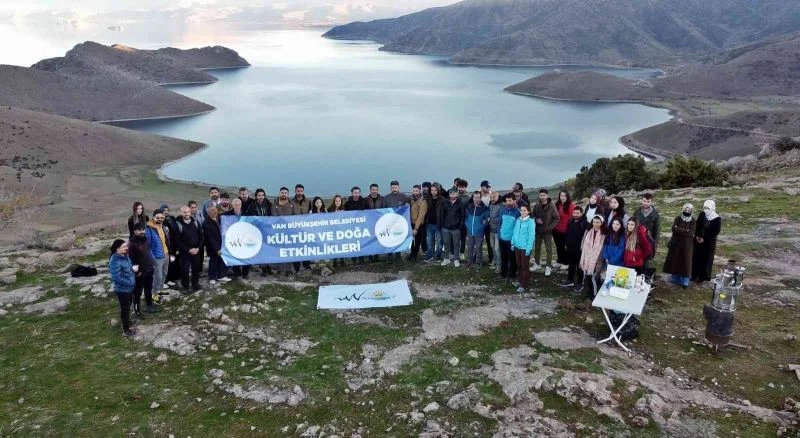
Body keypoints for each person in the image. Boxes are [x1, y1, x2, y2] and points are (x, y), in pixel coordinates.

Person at [128, 223, 159, 317]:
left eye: (143, 229)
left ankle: (149, 305)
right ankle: (137, 311)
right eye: (139, 230)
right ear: (135, 231)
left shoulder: (145, 239)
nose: (142, 231)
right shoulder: (132, 244)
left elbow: (148, 252)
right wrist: (137, 272)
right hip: (140, 272)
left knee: (148, 288)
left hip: (149, 268)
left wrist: (152, 265)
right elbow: (131, 260)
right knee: (137, 292)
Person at [663, 204, 696, 289]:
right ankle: (675, 279)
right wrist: (684, 230)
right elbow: (674, 228)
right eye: (686, 209)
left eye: (689, 210)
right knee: (675, 261)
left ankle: (684, 282)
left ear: (691, 211)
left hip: (687, 245)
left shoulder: (693, 221)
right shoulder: (678, 218)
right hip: (676, 243)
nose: (687, 211)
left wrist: (679, 229)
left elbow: (690, 232)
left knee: (685, 263)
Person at [108, 239, 137, 337]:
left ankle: (127, 322)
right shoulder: (114, 261)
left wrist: (133, 269)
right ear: (117, 249)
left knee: (128, 306)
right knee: (125, 309)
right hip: (122, 289)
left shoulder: (125, 256)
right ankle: (126, 330)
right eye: (124, 247)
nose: (126, 248)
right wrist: (129, 282)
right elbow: (116, 278)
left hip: (130, 287)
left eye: (126, 246)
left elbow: (128, 269)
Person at [174, 206, 204, 292]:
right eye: (184, 212)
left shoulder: (195, 222)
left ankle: (195, 284)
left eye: (188, 212)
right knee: (185, 269)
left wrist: (198, 248)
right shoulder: (178, 224)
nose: (187, 214)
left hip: (196, 250)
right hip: (185, 252)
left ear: (190, 212)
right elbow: (177, 241)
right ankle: (185, 286)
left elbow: (201, 237)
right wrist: (188, 250)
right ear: (181, 213)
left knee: (196, 268)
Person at [531, 189, 560, 276]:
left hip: (547, 232)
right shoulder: (536, 205)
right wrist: (536, 219)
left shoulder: (552, 206)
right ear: (539, 196)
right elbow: (533, 216)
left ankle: (548, 266)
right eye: (541, 195)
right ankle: (537, 263)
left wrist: (549, 227)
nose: (542, 197)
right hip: (538, 231)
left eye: (544, 195)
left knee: (548, 249)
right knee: (537, 248)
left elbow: (557, 219)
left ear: (547, 196)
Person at [692, 200, 722, 283]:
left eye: (708, 208)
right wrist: (698, 236)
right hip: (699, 241)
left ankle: (703, 277)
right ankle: (694, 275)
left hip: (709, 242)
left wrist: (704, 238)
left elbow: (716, 231)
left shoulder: (716, 218)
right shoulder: (702, 214)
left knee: (706, 259)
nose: (706, 210)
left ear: (712, 208)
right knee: (696, 258)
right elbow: (697, 226)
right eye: (705, 208)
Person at [578, 215, 606, 298]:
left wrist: (600, 260)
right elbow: (584, 246)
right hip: (587, 257)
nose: (596, 224)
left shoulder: (604, 234)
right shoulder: (589, 232)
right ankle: (589, 291)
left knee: (595, 277)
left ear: (601, 223)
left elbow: (602, 249)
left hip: (597, 259)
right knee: (588, 275)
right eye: (594, 222)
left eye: (598, 222)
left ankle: (595, 294)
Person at [633, 193, 661, 274]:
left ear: (651, 202)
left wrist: (655, 243)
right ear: (642, 201)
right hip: (637, 239)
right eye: (644, 201)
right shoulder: (637, 212)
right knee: (636, 256)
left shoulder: (656, 215)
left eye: (648, 201)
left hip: (649, 240)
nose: (646, 203)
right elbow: (633, 224)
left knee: (647, 258)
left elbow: (657, 230)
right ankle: (636, 273)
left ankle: (645, 275)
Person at [145, 209, 171, 293]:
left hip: (166, 254)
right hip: (157, 257)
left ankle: (160, 290)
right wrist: (153, 258)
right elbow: (147, 246)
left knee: (164, 274)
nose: (160, 219)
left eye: (161, 218)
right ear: (153, 217)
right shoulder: (148, 230)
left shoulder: (163, 227)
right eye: (158, 217)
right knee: (158, 276)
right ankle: (155, 292)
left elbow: (167, 241)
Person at [203, 206, 230, 285]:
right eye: (212, 210)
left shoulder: (220, 218)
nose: (214, 212)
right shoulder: (206, 223)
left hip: (222, 244)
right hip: (213, 247)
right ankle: (212, 277)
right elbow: (209, 238)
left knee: (222, 260)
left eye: (215, 210)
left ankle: (221, 276)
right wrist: (217, 249)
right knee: (213, 261)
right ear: (208, 212)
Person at [223, 199, 251, 279]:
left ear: (241, 205)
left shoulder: (247, 214)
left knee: (247, 255)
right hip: (233, 239)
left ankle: (245, 273)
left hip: (245, 238)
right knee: (235, 255)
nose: (237, 206)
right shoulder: (227, 215)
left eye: (239, 204)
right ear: (232, 205)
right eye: (235, 204)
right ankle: (237, 272)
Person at [511, 204, 535, 293]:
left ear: (528, 211)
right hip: (517, 246)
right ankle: (520, 280)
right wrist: (513, 243)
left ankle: (524, 284)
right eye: (521, 210)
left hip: (525, 247)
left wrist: (529, 248)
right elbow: (515, 231)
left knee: (524, 266)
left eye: (524, 210)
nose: (522, 212)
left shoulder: (530, 222)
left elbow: (531, 236)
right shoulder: (518, 220)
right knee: (519, 264)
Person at [271, 187, 296, 275]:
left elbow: (295, 216)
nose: (284, 194)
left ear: (288, 194)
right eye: (282, 192)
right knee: (279, 250)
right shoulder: (274, 204)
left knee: (289, 250)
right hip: (278, 232)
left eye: (285, 193)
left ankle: (288, 269)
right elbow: (274, 217)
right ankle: (279, 269)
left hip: (289, 232)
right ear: (279, 193)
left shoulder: (292, 204)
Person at [384, 180, 410, 262]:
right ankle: (390, 255)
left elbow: (408, 206)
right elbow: (383, 209)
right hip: (389, 222)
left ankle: (398, 255)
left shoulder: (404, 197)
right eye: (392, 188)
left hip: (399, 223)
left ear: (399, 187)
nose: (394, 189)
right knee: (389, 239)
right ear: (390, 188)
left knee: (398, 238)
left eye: (396, 187)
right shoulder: (386, 197)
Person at [561, 206, 585, 288]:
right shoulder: (570, 221)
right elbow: (567, 233)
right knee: (571, 265)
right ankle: (570, 280)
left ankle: (580, 282)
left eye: (577, 213)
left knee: (579, 266)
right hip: (570, 248)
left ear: (581, 213)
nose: (575, 214)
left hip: (579, 249)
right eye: (574, 213)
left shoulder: (585, 223)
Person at [498, 193, 521, 281]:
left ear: (514, 201)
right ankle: (503, 273)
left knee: (512, 258)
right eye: (507, 201)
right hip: (502, 238)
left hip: (511, 240)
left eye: (510, 200)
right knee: (503, 257)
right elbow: (500, 223)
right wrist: (499, 235)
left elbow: (518, 227)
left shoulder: (517, 212)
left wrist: (515, 239)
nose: (508, 202)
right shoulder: (503, 210)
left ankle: (512, 274)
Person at [465, 191, 489, 269]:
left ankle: (478, 263)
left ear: (480, 198)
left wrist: (481, 227)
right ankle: (469, 262)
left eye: (478, 197)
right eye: (475, 197)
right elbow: (465, 218)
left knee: (478, 248)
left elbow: (486, 220)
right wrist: (467, 225)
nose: (476, 199)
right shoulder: (469, 207)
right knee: (470, 247)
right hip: (470, 231)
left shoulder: (484, 208)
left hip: (479, 232)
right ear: (473, 197)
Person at [441, 188, 465, 267]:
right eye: (451, 194)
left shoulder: (460, 203)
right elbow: (442, 214)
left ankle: (456, 259)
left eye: (454, 194)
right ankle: (446, 259)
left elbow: (462, 216)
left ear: (457, 194)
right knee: (446, 244)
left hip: (456, 228)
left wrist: (460, 226)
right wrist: (442, 225)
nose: (452, 195)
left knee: (456, 244)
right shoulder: (445, 202)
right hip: (446, 227)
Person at [553, 190, 575, 269]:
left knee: (566, 247)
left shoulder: (571, 205)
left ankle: (567, 262)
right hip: (556, 230)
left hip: (566, 230)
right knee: (559, 246)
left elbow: (572, 218)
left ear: (567, 196)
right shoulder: (557, 205)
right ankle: (560, 260)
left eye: (564, 196)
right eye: (561, 196)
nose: (562, 197)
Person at [344, 187, 368, 264]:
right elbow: (345, 215)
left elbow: (369, 212)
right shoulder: (348, 203)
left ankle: (361, 258)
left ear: (359, 193)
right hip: (352, 226)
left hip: (362, 226)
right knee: (353, 242)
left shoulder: (364, 202)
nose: (356, 194)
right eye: (355, 193)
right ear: (352, 193)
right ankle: (354, 258)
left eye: (358, 193)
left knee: (362, 242)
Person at [365, 184, 386, 262]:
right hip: (369, 222)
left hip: (379, 222)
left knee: (377, 238)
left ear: (378, 190)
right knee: (370, 238)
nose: (374, 191)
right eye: (372, 189)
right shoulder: (366, 199)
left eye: (375, 189)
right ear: (370, 190)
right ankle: (370, 254)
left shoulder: (382, 199)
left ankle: (377, 255)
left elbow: (385, 209)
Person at [424, 184, 444, 262]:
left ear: (438, 190)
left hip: (438, 223)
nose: (433, 192)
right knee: (430, 240)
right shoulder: (428, 199)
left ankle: (438, 255)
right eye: (432, 190)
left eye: (435, 190)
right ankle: (430, 255)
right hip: (429, 223)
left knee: (439, 241)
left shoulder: (442, 200)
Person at [407, 185, 428, 262]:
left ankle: (415, 254)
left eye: (416, 191)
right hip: (411, 222)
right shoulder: (410, 199)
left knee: (417, 239)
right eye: (414, 191)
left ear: (420, 191)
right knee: (411, 239)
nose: (415, 192)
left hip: (419, 224)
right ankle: (412, 252)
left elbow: (421, 216)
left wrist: (416, 228)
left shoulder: (423, 201)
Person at [328, 195, 346, 267]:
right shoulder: (330, 209)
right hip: (333, 231)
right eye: (336, 201)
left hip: (341, 231)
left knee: (341, 246)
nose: (338, 202)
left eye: (339, 201)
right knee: (334, 246)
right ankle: (335, 260)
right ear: (334, 202)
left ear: (341, 202)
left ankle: (342, 260)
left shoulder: (344, 209)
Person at [488, 191, 503, 273]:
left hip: (498, 231)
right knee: (493, 247)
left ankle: (499, 266)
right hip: (491, 230)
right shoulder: (490, 205)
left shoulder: (501, 206)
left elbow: (501, 218)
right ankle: (495, 261)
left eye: (494, 197)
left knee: (497, 249)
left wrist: (491, 219)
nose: (492, 199)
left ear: (498, 197)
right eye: (491, 197)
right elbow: (489, 215)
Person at [480, 181, 494, 265]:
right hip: (480, 222)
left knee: (489, 242)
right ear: (482, 187)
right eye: (486, 187)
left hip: (489, 223)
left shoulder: (491, 196)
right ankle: (477, 258)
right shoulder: (478, 195)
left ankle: (491, 258)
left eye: (489, 187)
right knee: (478, 242)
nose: (488, 188)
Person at [456, 179, 470, 260]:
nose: (461, 189)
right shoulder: (454, 195)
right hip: (455, 221)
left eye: (462, 187)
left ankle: (461, 253)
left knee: (463, 238)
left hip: (464, 221)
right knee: (455, 238)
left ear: (465, 187)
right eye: (459, 187)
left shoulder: (468, 197)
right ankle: (454, 253)